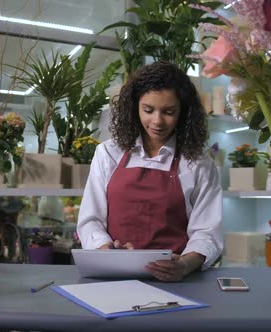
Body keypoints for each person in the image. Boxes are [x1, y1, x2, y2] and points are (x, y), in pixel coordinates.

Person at [77, 61, 223, 282]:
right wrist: (105, 249)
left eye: (169, 112)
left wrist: (184, 264)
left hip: (176, 281)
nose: (157, 121)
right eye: (148, 110)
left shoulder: (198, 165)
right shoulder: (108, 154)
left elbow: (207, 232)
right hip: (115, 278)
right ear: (134, 107)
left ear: (183, 113)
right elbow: (91, 220)